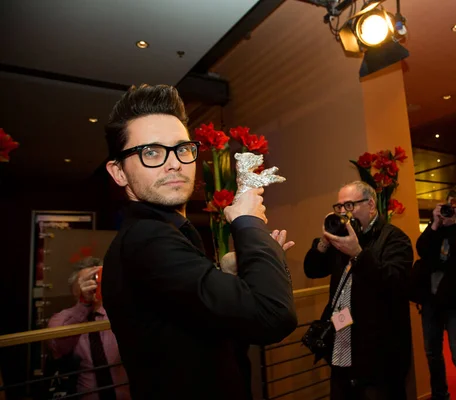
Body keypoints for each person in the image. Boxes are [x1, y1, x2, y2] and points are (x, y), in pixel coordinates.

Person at [101, 84, 297, 400]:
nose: (174, 163)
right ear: (119, 172)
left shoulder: (166, 234)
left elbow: (207, 330)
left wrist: (229, 273)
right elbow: (273, 317)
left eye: (181, 149)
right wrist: (248, 220)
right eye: (151, 152)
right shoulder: (148, 239)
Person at [304, 181, 414, 400]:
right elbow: (312, 270)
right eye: (339, 206)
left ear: (371, 205)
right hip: (342, 343)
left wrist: (358, 253)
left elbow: (394, 281)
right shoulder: (342, 239)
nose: (344, 212)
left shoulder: (395, 238)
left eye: (350, 205)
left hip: (379, 352)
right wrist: (324, 243)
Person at [415, 186, 456, 400]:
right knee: (432, 354)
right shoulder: (437, 228)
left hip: (455, 303)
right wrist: (435, 223)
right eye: (450, 205)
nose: (452, 210)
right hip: (431, 300)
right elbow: (422, 249)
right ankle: (440, 395)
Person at [47, 257, 130, 400]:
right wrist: (83, 304)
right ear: (74, 289)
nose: (93, 285)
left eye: (97, 280)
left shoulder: (120, 314)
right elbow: (59, 347)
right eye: (86, 281)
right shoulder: (61, 318)